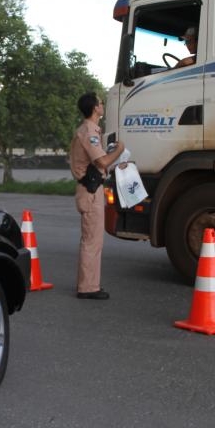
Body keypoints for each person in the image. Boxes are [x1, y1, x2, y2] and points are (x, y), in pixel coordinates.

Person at [69, 92, 124, 300]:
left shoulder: (91, 130)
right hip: (90, 190)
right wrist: (120, 150)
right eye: (100, 103)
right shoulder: (88, 131)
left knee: (93, 240)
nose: (103, 105)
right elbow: (101, 162)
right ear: (94, 108)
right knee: (92, 240)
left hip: (92, 187)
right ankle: (87, 288)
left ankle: (90, 284)